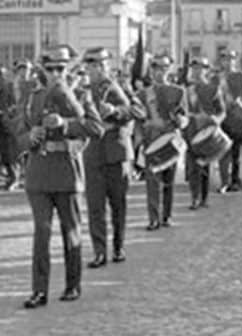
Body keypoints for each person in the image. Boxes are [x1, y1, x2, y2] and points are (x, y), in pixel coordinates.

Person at [14, 45, 103, 308]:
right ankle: (39, 290)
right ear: (43, 69)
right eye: (50, 69)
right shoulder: (33, 96)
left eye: (61, 69)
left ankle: (72, 285)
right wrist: (28, 138)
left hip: (67, 170)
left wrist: (66, 125)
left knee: (71, 231)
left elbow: (95, 128)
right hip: (39, 172)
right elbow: (18, 133)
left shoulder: (80, 94)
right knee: (41, 233)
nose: (55, 74)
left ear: (68, 69)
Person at [81, 47, 145, 268]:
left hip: (117, 153)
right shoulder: (82, 90)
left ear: (107, 65)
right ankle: (99, 251)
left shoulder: (121, 87)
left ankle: (118, 246)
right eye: (91, 65)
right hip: (93, 154)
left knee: (118, 205)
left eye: (100, 64)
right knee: (95, 207)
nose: (95, 69)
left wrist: (116, 112)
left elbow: (138, 111)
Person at [141, 55, 187, 230]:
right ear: (151, 70)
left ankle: (166, 215)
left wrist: (181, 120)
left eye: (164, 67)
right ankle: (153, 218)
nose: (160, 71)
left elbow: (184, 116)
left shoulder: (178, 92)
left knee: (168, 181)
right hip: (152, 141)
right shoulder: (144, 93)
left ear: (169, 69)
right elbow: (139, 118)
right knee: (152, 181)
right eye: (156, 68)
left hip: (170, 139)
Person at [185, 58, 225, 209]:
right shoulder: (187, 90)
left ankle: (204, 197)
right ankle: (195, 198)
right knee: (193, 167)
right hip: (191, 130)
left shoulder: (213, 89)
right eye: (194, 68)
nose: (196, 71)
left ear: (206, 70)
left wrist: (216, 120)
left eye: (200, 68)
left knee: (205, 166)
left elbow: (222, 111)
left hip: (207, 131)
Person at [216, 50, 242, 192]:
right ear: (221, 61)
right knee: (223, 150)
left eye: (231, 59)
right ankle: (224, 181)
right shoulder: (216, 77)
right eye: (225, 59)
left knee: (236, 151)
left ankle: (235, 179)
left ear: (235, 60)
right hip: (221, 117)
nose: (228, 62)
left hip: (237, 116)